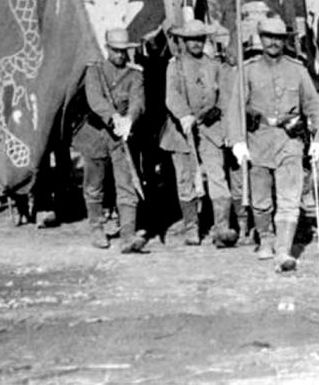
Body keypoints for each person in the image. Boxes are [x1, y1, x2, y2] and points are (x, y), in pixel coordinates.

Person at [229, 17, 319, 272]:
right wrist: (238, 141)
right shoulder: (248, 70)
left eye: (279, 38)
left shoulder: (297, 70)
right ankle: (265, 238)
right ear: (260, 39)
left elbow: (315, 107)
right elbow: (235, 108)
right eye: (268, 37)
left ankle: (283, 251)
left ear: (285, 41)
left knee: (289, 199)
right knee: (260, 200)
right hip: (259, 140)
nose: (273, 42)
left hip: (289, 141)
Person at [160, 20, 239, 248]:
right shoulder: (174, 66)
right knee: (186, 179)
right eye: (192, 39)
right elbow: (171, 95)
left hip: (210, 129)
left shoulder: (214, 65)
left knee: (217, 176)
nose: (196, 43)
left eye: (200, 39)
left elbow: (225, 97)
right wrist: (183, 114)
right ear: (183, 41)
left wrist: (224, 126)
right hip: (181, 131)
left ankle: (221, 227)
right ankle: (191, 227)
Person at [73, 28, 148, 253]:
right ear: (107, 49)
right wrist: (113, 116)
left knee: (126, 184)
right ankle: (96, 228)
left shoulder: (134, 74)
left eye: (124, 51)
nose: (120, 55)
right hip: (96, 136)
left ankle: (128, 234)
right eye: (116, 51)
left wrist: (129, 120)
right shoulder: (95, 72)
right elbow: (94, 99)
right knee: (94, 185)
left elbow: (138, 102)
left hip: (121, 138)